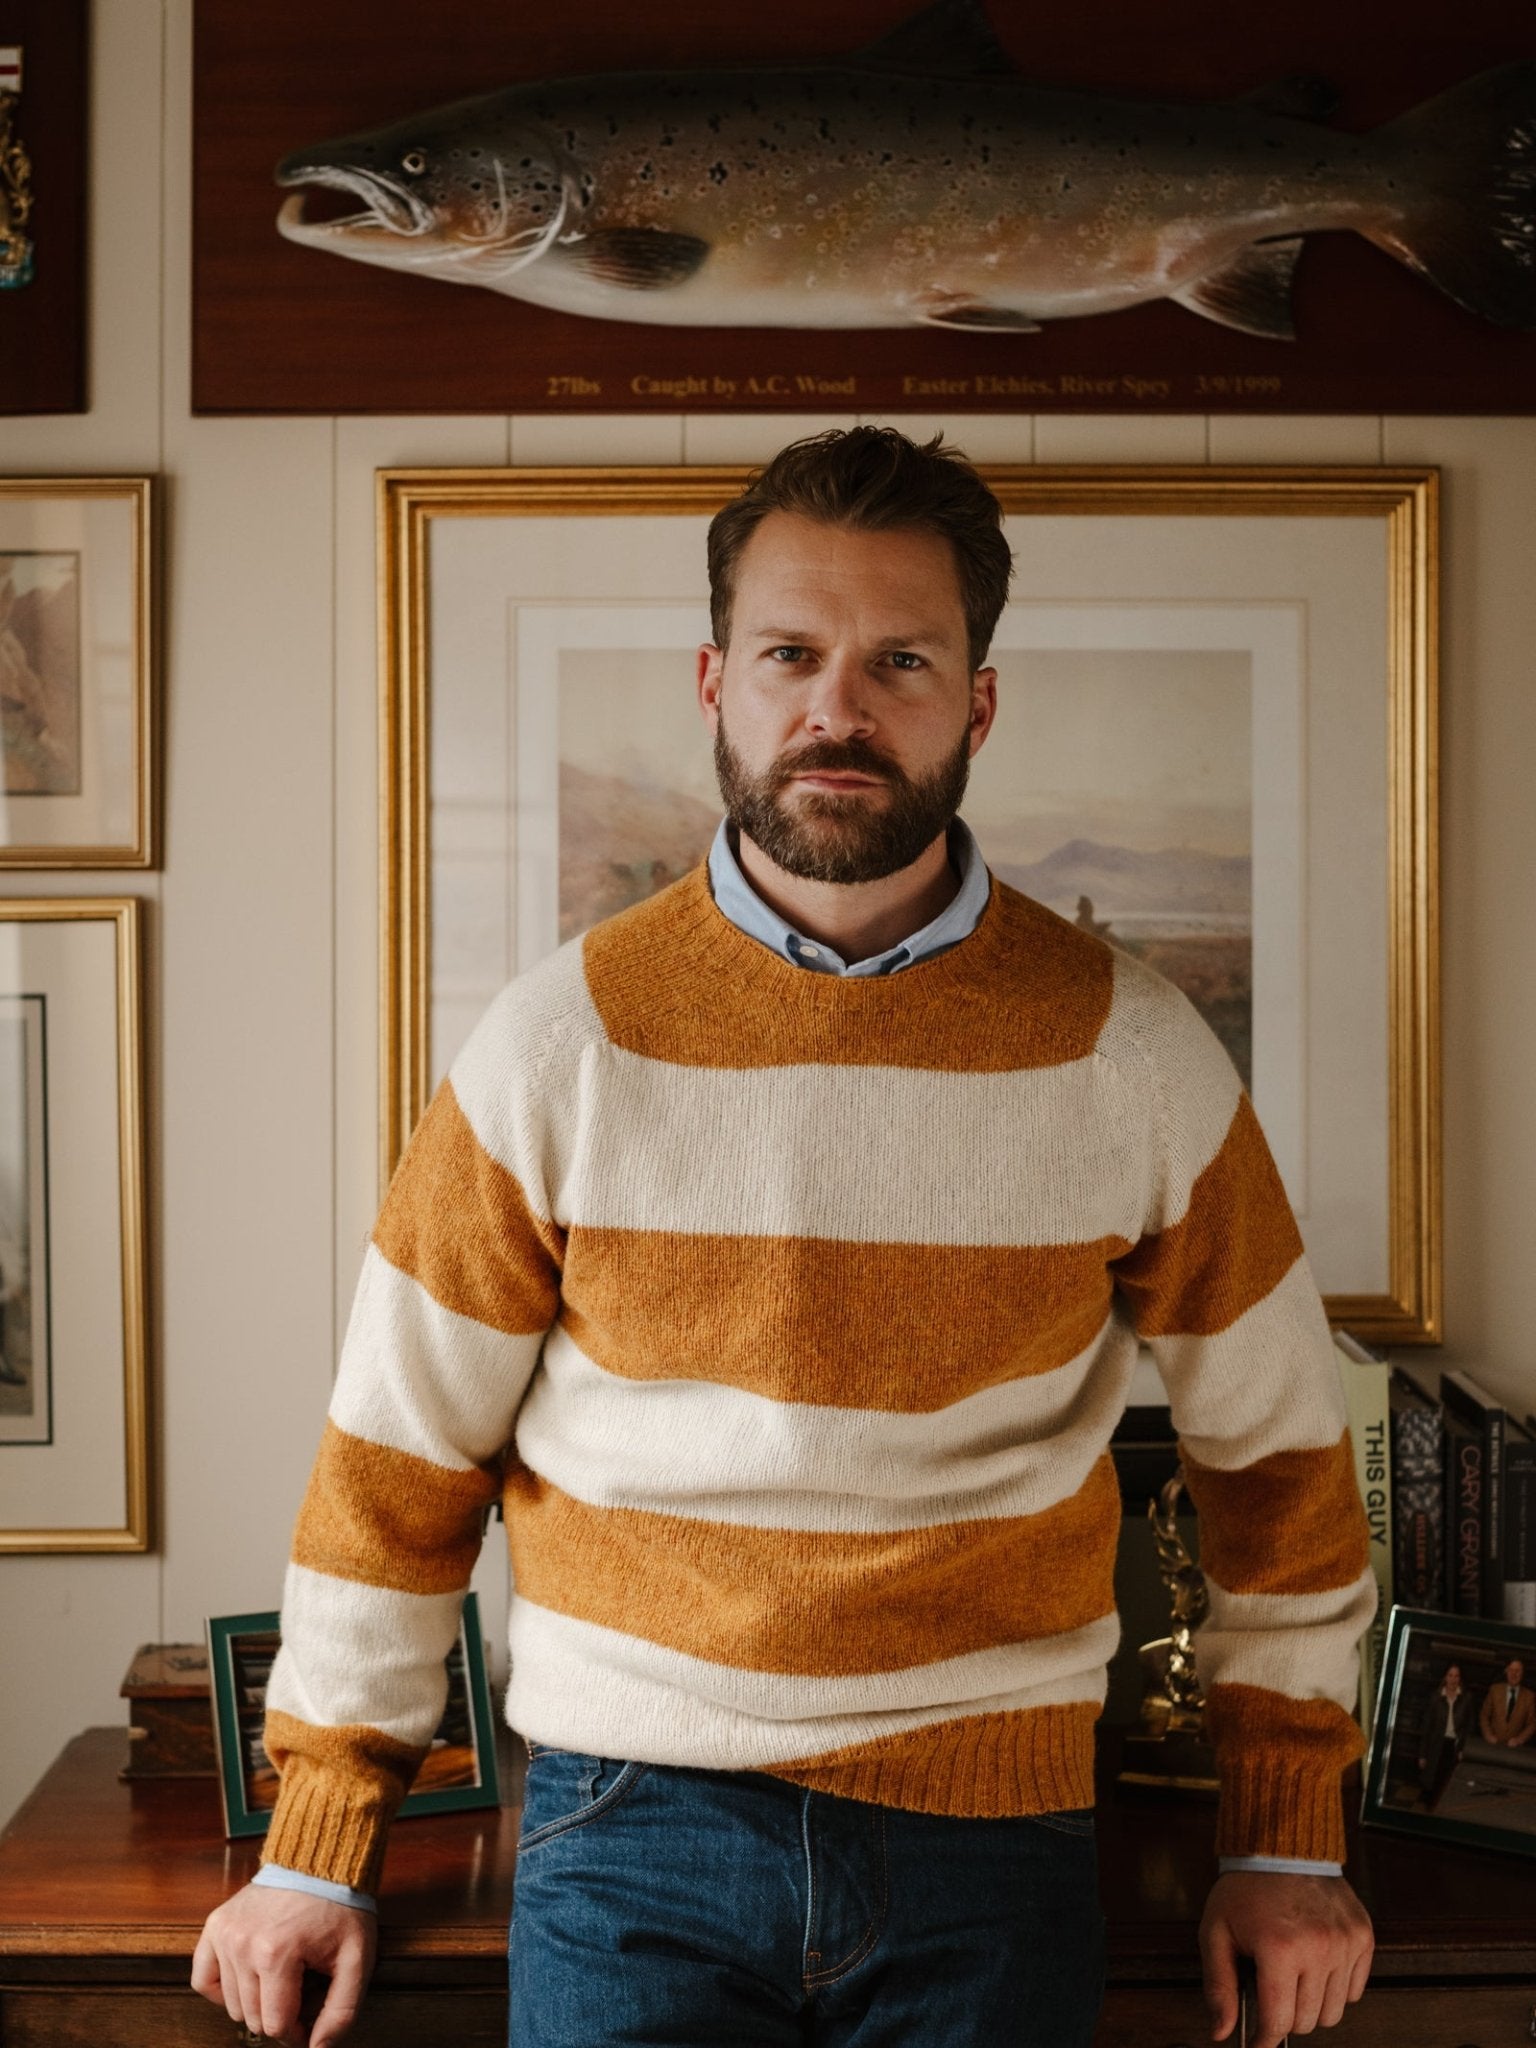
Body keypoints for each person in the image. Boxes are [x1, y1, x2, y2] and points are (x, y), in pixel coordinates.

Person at [192, 428, 1377, 2048]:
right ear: (714, 681)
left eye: (900, 658)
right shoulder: (557, 1046)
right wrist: (317, 1843)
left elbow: (1282, 1464)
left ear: (976, 701)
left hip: (997, 1828)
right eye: (790, 655)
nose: (839, 706)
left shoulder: (1134, 1047)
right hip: (632, 1828)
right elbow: (396, 1468)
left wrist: (1287, 1830)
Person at [1416, 1662, 1471, 1809]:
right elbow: (1427, 1727)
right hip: (1436, 1744)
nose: (1453, 1679)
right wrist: (1422, 1754)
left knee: (1448, 1782)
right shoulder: (1436, 1697)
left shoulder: (1466, 1698)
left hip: (1454, 1745)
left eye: (1456, 1676)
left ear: (1460, 1678)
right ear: (1445, 1677)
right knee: (1432, 1781)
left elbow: (1468, 1727)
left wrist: (1462, 1749)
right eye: (1450, 1675)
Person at [1479, 1657, 1536, 1748]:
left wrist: (1519, 1739)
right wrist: (1488, 1735)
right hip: (1491, 1746)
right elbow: (1484, 1715)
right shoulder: (1495, 1690)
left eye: (1517, 1671)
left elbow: (1532, 1724)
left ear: (1522, 1673)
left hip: (1515, 1750)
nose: (1514, 1674)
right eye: (1511, 1670)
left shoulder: (1529, 1696)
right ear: (1506, 1671)